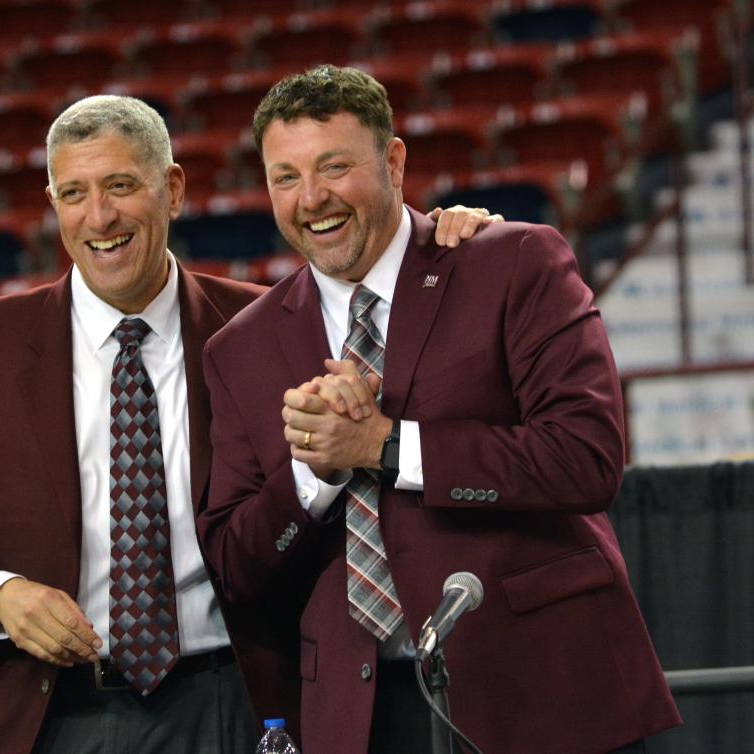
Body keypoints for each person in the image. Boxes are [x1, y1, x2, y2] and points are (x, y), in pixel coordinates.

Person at [0, 93, 497, 753]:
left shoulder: (267, 327)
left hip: (238, 701)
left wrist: (442, 242)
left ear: (172, 189)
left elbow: (386, 301)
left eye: (121, 186)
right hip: (45, 710)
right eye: (74, 193)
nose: (100, 216)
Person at [196, 65, 682, 754]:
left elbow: (587, 458)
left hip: (540, 692)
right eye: (285, 177)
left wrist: (386, 446)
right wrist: (316, 474)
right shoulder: (240, 348)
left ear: (394, 162)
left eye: (335, 166)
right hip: (362, 718)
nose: (312, 198)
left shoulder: (511, 261)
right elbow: (237, 565)